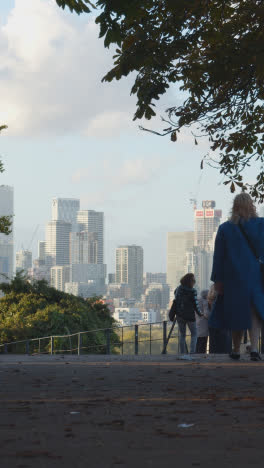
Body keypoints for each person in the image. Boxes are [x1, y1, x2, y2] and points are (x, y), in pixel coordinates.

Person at [210, 192, 264, 361]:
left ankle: (235, 349)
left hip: (232, 276)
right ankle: (254, 349)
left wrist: (217, 280)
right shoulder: (261, 225)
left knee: (237, 312)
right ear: (252, 206)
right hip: (255, 274)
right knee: (254, 311)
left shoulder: (225, 228)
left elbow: (218, 256)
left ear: (234, 207)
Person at [174, 273, 202, 354]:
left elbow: (176, 300)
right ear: (190, 281)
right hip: (190, 315)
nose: (194, 282)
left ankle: (182, 353)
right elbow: (196, 305)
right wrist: (200, 313)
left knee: (182, 335)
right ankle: (192, 352)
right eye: (193, 280)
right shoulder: (193, 291)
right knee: (194, 334)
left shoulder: (178, 289)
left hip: (179, 315)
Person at [208, 284, 232, 354]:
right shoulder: (223, 297)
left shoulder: (212, 300)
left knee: (214, 348)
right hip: (223, 324)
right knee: (225, 348)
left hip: (213, 324)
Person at [195, 289, 210, 353]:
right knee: (203, 343)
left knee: (197, 343)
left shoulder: (197, 301)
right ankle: (201, 356)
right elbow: (207, 314)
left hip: (197, 324)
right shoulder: (205, 302)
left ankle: (196, 354)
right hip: (204, 325)